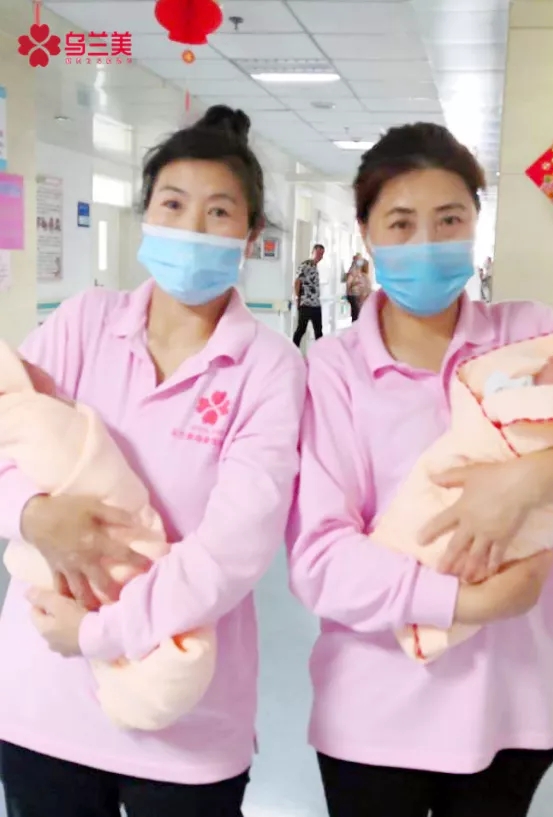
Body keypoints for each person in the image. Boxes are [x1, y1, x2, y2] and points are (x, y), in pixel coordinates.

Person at [0, 104, 306, 817]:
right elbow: (8, 434)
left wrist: (97, 633)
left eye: (218, 211)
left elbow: (235, 549)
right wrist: (33, 515)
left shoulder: (268, 368)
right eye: (173, 204)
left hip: (183, 713)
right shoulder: (84, 322)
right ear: (145, 216)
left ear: (250, 235)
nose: (192, 227)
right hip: (45, 697)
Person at [287, 122, 553, 817]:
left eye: (448, 220)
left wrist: (532, 481)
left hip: (513, 703)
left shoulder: (530, 333)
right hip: (373, 714)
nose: (426, 241)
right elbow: (321, 559)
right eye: (400, 223)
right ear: (366, 233)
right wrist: (470, 603)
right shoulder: (336, 369)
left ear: (475, 221)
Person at [293, 243, 325, 347]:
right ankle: (294, 349)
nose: (320, 256)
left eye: (322, 254)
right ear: (312, 252)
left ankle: (320, 352)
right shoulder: (305, 265)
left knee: (318, 331)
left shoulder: (315, 267)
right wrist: (297, 298)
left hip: (316, 304)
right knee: (301, 329)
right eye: (318, 253)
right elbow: (297, 282)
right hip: (305, 303)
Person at [345, 254, 372, 322]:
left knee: (358, 314)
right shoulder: (353, 271)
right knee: (357, 314)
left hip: (358, 296)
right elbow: (349, 283)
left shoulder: (362, 274)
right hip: (354, 296)